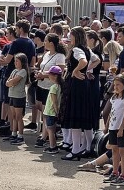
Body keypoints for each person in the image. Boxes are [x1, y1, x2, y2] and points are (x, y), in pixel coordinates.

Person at [60, 27, 95, 160]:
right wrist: (86, 71)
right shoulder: (87, 49)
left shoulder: (77, 49)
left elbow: (84, 61)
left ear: (76, 37)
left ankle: (75, 150)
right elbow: (96, 60)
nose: (69, 38)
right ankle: (86, 147)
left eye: (71, 36)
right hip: (83, 84)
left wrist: (75, 71)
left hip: (76, 85)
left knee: (74, 116)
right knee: (83, 117)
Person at [106, 74, 124, 186]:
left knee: (123, 152)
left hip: (122, 128)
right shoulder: (114, 98)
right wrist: (107, 125)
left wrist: (122, 128)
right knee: (114, 150)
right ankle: (115, 172)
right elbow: (111, 113)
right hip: (113, 127)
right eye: (114, 85)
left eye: (118, 85)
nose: (115, 87)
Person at [5, 53, 30, 145]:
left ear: (22, 62)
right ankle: (14, 133)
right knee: (14, 116)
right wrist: (10, 82)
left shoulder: (23, 71)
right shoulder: (14, 70)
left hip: (19, 96)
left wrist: (11, 82)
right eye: (15, 61)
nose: (15, 63)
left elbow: (14, 81)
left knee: (19, 117)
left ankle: (20, 136)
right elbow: (8, 82)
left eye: (17, 61)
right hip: (12, 94)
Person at [40, 66, 63, 153]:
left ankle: (52, 146)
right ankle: (53, 145)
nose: (48, 76)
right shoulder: (60, 86)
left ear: (55, 76)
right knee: (52, 130)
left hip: (50, 112)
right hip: (53, 112)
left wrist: (56, 111)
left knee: (50, 130)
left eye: (50, 74)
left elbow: (54, 101)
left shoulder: (54, 87)